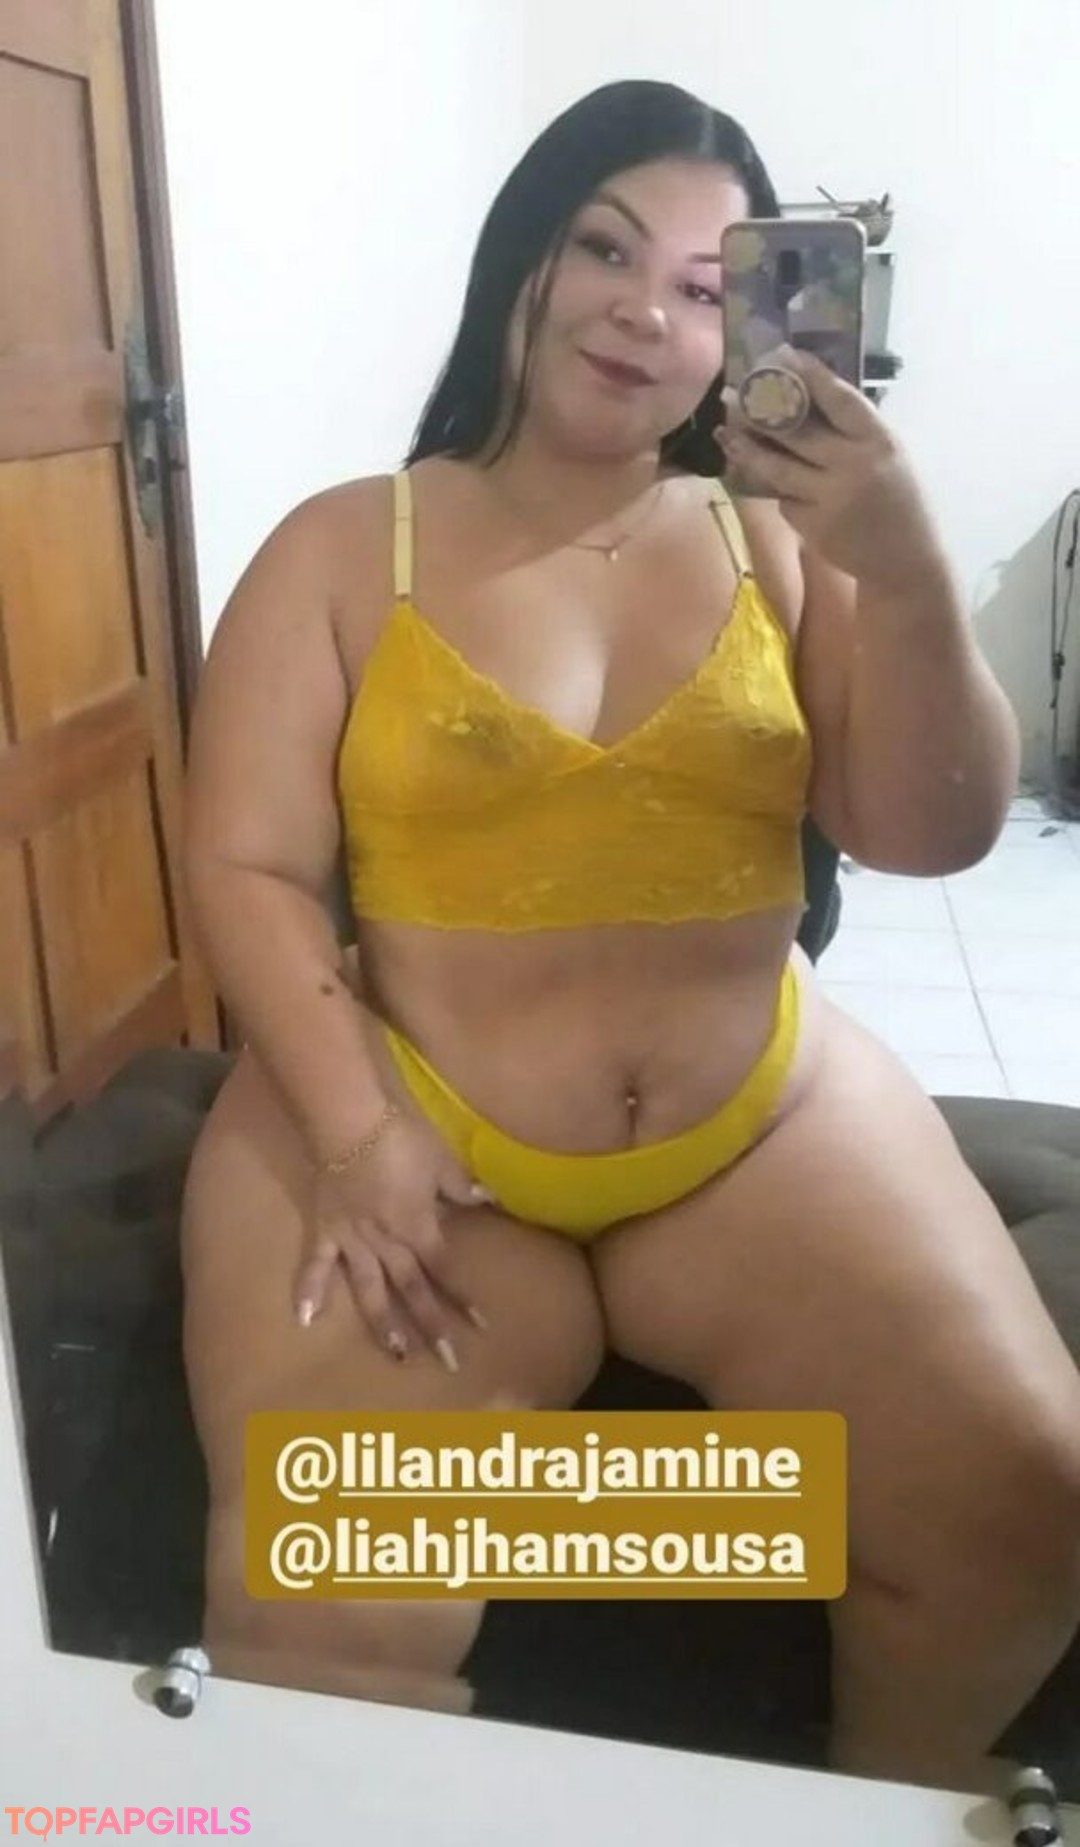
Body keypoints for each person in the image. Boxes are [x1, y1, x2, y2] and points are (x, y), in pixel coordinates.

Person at [180, 79, 1080, 1789]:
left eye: (702, 288)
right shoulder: (342, 548)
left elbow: (932, 829)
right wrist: (356, 1135)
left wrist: (899, 566)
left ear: (752, 330)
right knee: (323, 1595)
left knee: (1021, 1502)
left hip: (758, 1129)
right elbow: (248, 868)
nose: (644, 313)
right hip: (417, 1128)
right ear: (522, 256)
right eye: (605, 248)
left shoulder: (783, 543)